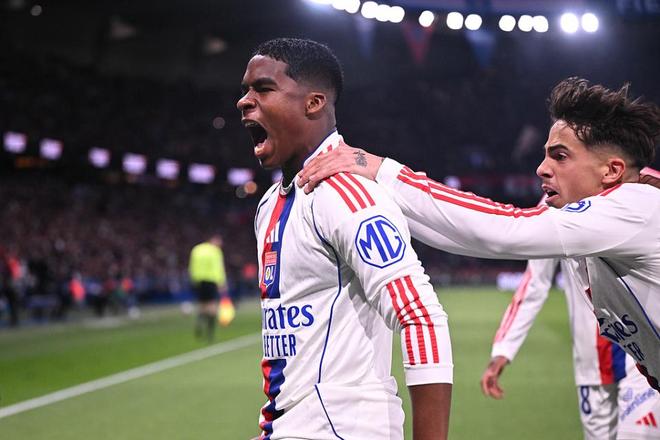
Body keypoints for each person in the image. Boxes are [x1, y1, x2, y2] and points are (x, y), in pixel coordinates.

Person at [298, 77, 660, 393]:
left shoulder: (632, 207)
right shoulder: (609, 221)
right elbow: (465, 235)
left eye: (560, 157)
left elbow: (505, 230)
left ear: (611, 171)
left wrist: (379, 168)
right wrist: (383, 189)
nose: (542, 168)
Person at [237, 38, 453, 439]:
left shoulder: (347, 195)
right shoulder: (271, 203)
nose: (244, 101)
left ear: (314, 103)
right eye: (246, 90)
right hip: (291, 426)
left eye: (263, 89)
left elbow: (420, 317)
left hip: (342, 427)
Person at [482, 254, 660, 439]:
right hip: (590, 364)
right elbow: (535, 280)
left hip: (638, 357)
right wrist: (504, 349)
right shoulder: (556, 233)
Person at [188, 233, 228, 341]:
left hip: (198, 281)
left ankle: (199, 323)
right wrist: (222, 283)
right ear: (213, 240)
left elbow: (191, 266)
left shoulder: (196, 249)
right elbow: (218, 268)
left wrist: (193, 280)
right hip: (211, 280)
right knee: (212, 307)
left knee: (202, 305)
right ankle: (210, 333)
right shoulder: (215, 251)